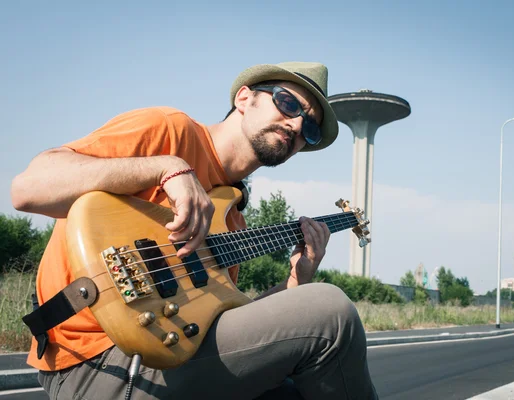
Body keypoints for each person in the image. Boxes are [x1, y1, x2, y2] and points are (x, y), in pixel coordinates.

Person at [11, 61, 379, 400]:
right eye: (288, 103)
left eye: (311, 128)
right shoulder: (170, 131)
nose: (297, 125)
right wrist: (165, 169)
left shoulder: (231, 217)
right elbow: (27, 189)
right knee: (331, 312)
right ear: (245, 98)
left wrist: (296, 283)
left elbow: (212, 324)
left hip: (167, 355)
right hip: (94, 362)